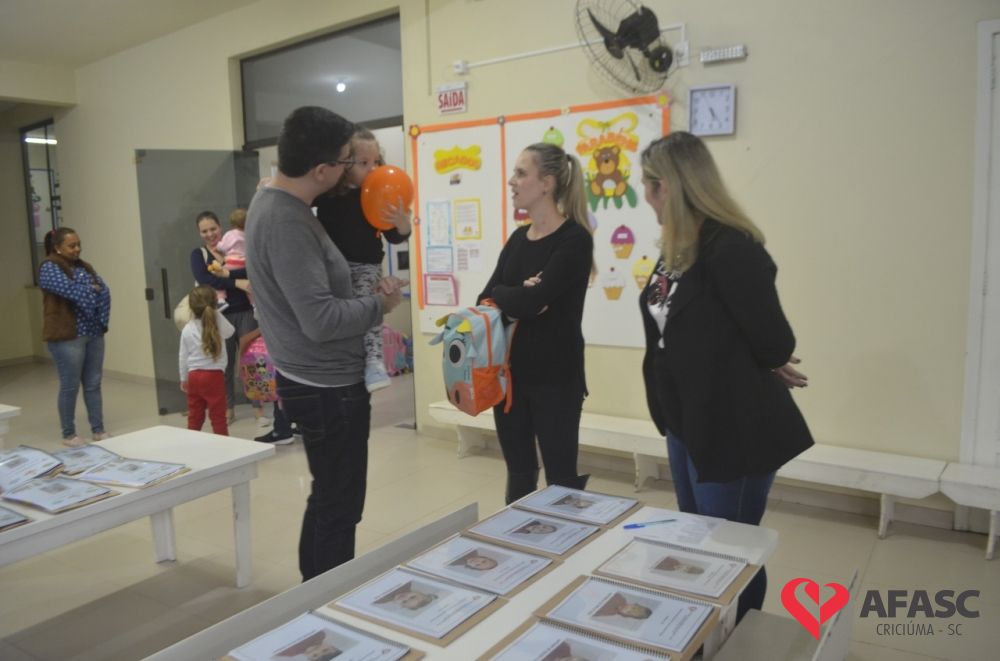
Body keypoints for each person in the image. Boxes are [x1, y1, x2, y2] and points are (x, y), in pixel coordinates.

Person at [638, 131, 813, 623]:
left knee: (732, 549)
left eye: (647, 186)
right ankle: (704, 632)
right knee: (699, 540)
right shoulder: (677, 247)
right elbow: (683, 329)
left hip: (731, 426)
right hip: (686, 419)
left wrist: (763, 358)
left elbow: (773, 341)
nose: (644, 197)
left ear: (667, 187)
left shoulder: (731, 248)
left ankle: (740, 636)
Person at [246, 106, 405, 581]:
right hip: (327, 387)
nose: (353, 171)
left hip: (316, 379)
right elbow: (320, 320)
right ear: (322, 169)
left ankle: (314, 596)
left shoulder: (277, 205)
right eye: (346, 161)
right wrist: (380, 305)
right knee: (339, 505)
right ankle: (326, 603)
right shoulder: (288, 222)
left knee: (330, 499)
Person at [477, 142, 594, 504]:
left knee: (561, 478)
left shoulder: (574, 239)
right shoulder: (517, 239)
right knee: (519, 474)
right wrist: (516, 296)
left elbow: (532, 301)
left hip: (556, 380)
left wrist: (513, 298)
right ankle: (517, 538)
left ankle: (567, 540)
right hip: (510, 379)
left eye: (521, 173)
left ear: (547, 183)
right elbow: (484, 300)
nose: (511, 181)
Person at [315, 126, 412, 393]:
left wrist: (403, 223)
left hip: (366, 264)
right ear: (345, 164)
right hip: (332, 266)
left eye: (376, 162)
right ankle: (337, 360)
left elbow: (395, 236)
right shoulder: (328, 194)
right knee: (336, 313)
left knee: (368, 308)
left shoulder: (378, 193)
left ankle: (374, 362)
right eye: (364, 163)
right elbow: (299, 199)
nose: (373, 169)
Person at [38, 227, 112, 447]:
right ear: (58, 248)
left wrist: (92, 289)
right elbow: (72, 291)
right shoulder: (49, 267)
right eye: (71, 246)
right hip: (67, 336)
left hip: (93, 332)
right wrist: (91, 288)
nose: (77, 249)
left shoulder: (84, 267)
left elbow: (104, 291)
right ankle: (69, 434)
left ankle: (98, 429)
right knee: (70, 385)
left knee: (93, 383)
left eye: (79, 244)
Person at [190, 210, 260, 423]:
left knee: (251, 360)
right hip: (219, 315)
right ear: (199, 233)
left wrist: (230, 276)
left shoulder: (237, 245)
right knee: (225, 363)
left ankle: (258, 407)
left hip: (246, 310)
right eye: (204, 231)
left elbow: (252, 270)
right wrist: (237, 282)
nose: (210, 234)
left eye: (213, 229)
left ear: (220, 227)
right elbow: (206, 280)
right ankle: (228, 408)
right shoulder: (199, 254)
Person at [178, 285, 234, 435]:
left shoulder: (187, 329)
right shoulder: (217, 323)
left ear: (191, 306)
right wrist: (217, 314)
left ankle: (191, 444)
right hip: (214, 376)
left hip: (193, 376)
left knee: (195, 416)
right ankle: (223, 446)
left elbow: (183, 356)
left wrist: (183, 378)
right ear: (214, 304)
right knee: (218, 417)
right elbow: (231, 332)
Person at [208, 208, 250, 308]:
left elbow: (224, 246)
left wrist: (217, 247)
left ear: (232, 224)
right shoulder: (248, 234)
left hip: (233, 262)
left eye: (213, 229)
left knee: (218, 275)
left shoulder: (230, 234)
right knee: (249, 285)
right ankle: (254, 303)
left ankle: (221, 299)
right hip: (244, 262)